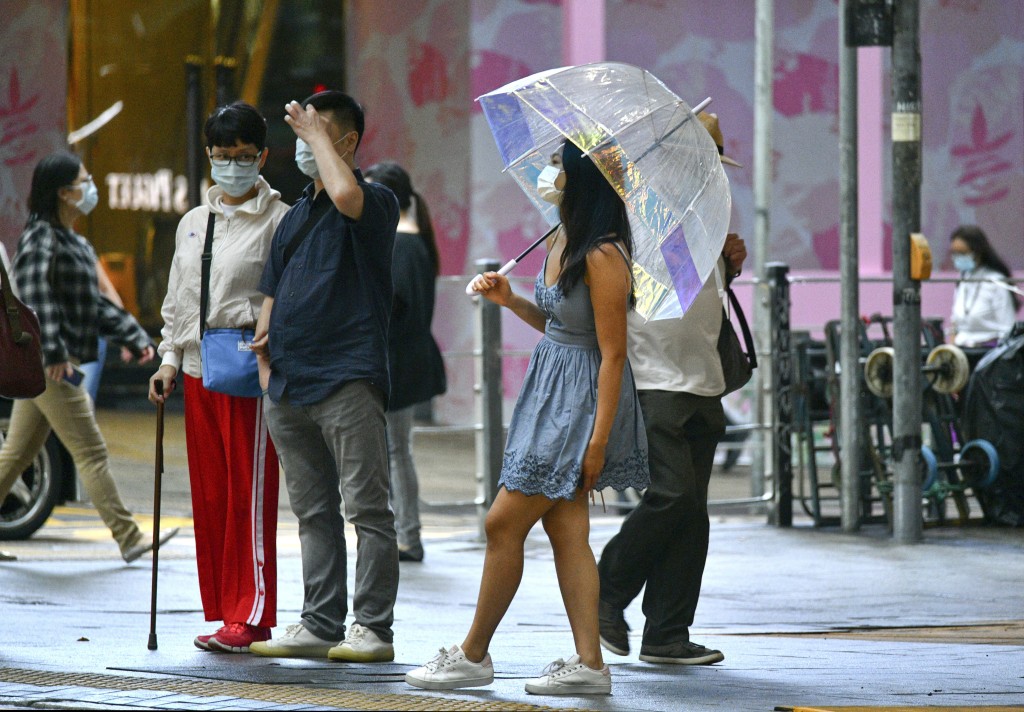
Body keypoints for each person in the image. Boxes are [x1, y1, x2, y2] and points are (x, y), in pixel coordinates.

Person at [405, 138, 649, 696]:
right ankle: (590, 665)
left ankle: (472, 654)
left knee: (501, 523)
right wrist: (512, 300)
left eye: (559, 166)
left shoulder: (604, 254)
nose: (549, 173)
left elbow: (612, 352)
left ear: (581, 179)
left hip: (578, 404)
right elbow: (563, 326)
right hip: (551, 391)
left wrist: (597, 440)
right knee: (567, 530)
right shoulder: (564, 237)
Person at [248, 90, 400, 663]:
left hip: (348, 378)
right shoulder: (295, 216)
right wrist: (266, 359)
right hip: (288, 384)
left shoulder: (374, 202)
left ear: (348, 143)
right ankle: (320, 621)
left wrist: (317, 139)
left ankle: (373, 628)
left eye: (316, 135)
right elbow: (271, 286)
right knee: (312, 511)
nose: (303, 147)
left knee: (367, 509)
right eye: (300, 137)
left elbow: (344, 192)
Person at [596, 111, 746, 666]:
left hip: (702, 376)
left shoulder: (705, 215)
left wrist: (729, 266)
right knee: (673, 495)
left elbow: (694, 296)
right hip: (654, 377)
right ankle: (603, 594)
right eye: (701, 161)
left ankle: (667, 632)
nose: (710, 173)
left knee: (691, 514)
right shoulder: (633, 214)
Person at [149, 102, 289, 653]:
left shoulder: (280, 222)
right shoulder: (192, 222)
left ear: (262, 156)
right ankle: (226, 610)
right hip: (195, 367)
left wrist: (271, 337)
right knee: (211, 496)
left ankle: (250, 612)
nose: (232, 166)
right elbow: (178, 298)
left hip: (247, 366)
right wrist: (167, 358)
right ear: (208, 156)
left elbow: (287, 297)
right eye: (222, 156)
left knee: (247, 496)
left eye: (244, 156)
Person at [0, 151, 176, 563]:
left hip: (55, 363)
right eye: (83, 181)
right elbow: (32, 299)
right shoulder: (41, 237)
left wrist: (133, 336)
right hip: (51, 367)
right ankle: (129, 537)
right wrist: (55, 352)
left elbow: (93, 304)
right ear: (63, 193)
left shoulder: (73, 241)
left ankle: (129, 537)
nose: (90, 187)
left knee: (18, 453)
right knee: (92, 453)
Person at [363, 160, 446, 563]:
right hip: (403, 360)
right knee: (397, 449)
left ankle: (408, 534)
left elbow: (399, 311)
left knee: (396, 450)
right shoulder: (413, 242)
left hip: (396, 362)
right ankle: (406, 533)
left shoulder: (403, 245)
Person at [948, 225, 1019, 361]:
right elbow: (955, 323)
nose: (957, 258)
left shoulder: (996, 282)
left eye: (962, 253)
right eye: (954, 253)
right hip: (962, 352)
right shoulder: (962, 279)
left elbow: (1007, 328)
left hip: (988, 355)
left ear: (977, 252)